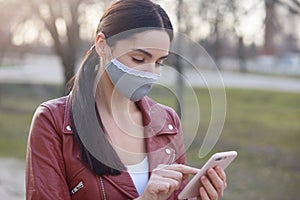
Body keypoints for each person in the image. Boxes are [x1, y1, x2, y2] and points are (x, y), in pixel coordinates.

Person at [26, 0, 227, 199]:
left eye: (159, 62)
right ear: (102, 45)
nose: (150, 73)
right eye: (139, 59)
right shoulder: (53, 121)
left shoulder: (168, 122)